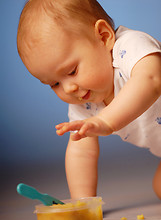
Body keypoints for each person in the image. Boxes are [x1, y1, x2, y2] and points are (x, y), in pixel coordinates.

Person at [17, 0, 161, 200]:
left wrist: (105, 121)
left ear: (103, 37)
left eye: (72, 71)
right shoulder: (85, 100)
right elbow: (81, 152)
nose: (68, 88)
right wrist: (84, 203)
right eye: (54, 84)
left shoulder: (131, 47)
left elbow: (151, 80)